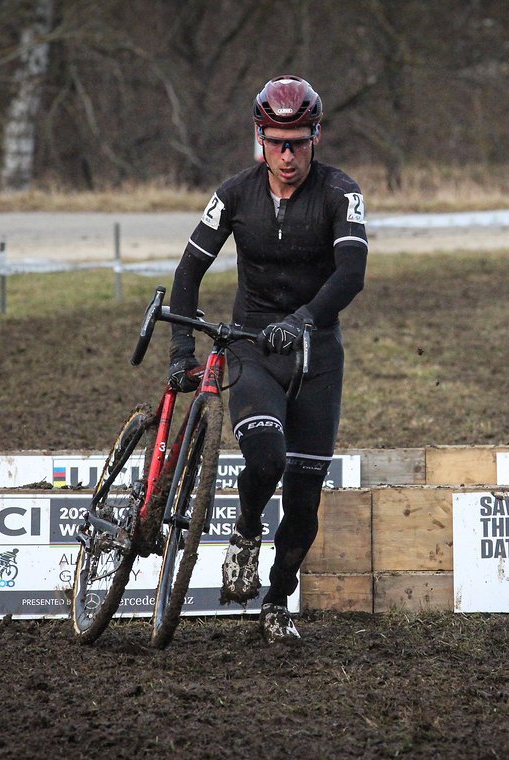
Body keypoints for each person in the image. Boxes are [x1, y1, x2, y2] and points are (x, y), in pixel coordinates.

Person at [167, 74, 367, 644]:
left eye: (298, 142)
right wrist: (182, 350)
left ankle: (277, 601)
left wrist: (303, 321)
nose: (287, 154)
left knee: (304, 503)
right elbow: (188, 271)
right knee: (264, 460)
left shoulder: (340, 192)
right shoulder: (233, 194)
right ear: (260, 136)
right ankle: (246, 531)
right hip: (253, 350)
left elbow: (351, 274)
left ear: (315, 137)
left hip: (316, 356)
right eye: (276, 141)